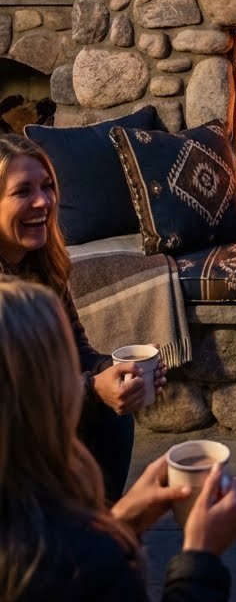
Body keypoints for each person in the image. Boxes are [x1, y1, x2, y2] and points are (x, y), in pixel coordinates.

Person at [0, 279, 236, 602]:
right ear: (42, 395)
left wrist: (120, 522)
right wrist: (199, 559)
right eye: (62, 365)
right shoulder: (81, 567)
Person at [0, 133, 165, 502]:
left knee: (111, 411)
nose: (43, 201)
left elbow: (77, 348)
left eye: (47, 186)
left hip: (43, 410)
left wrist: (121, 371)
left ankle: (96, 527)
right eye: (22, 191)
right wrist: (92, 388)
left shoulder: (41, 265)